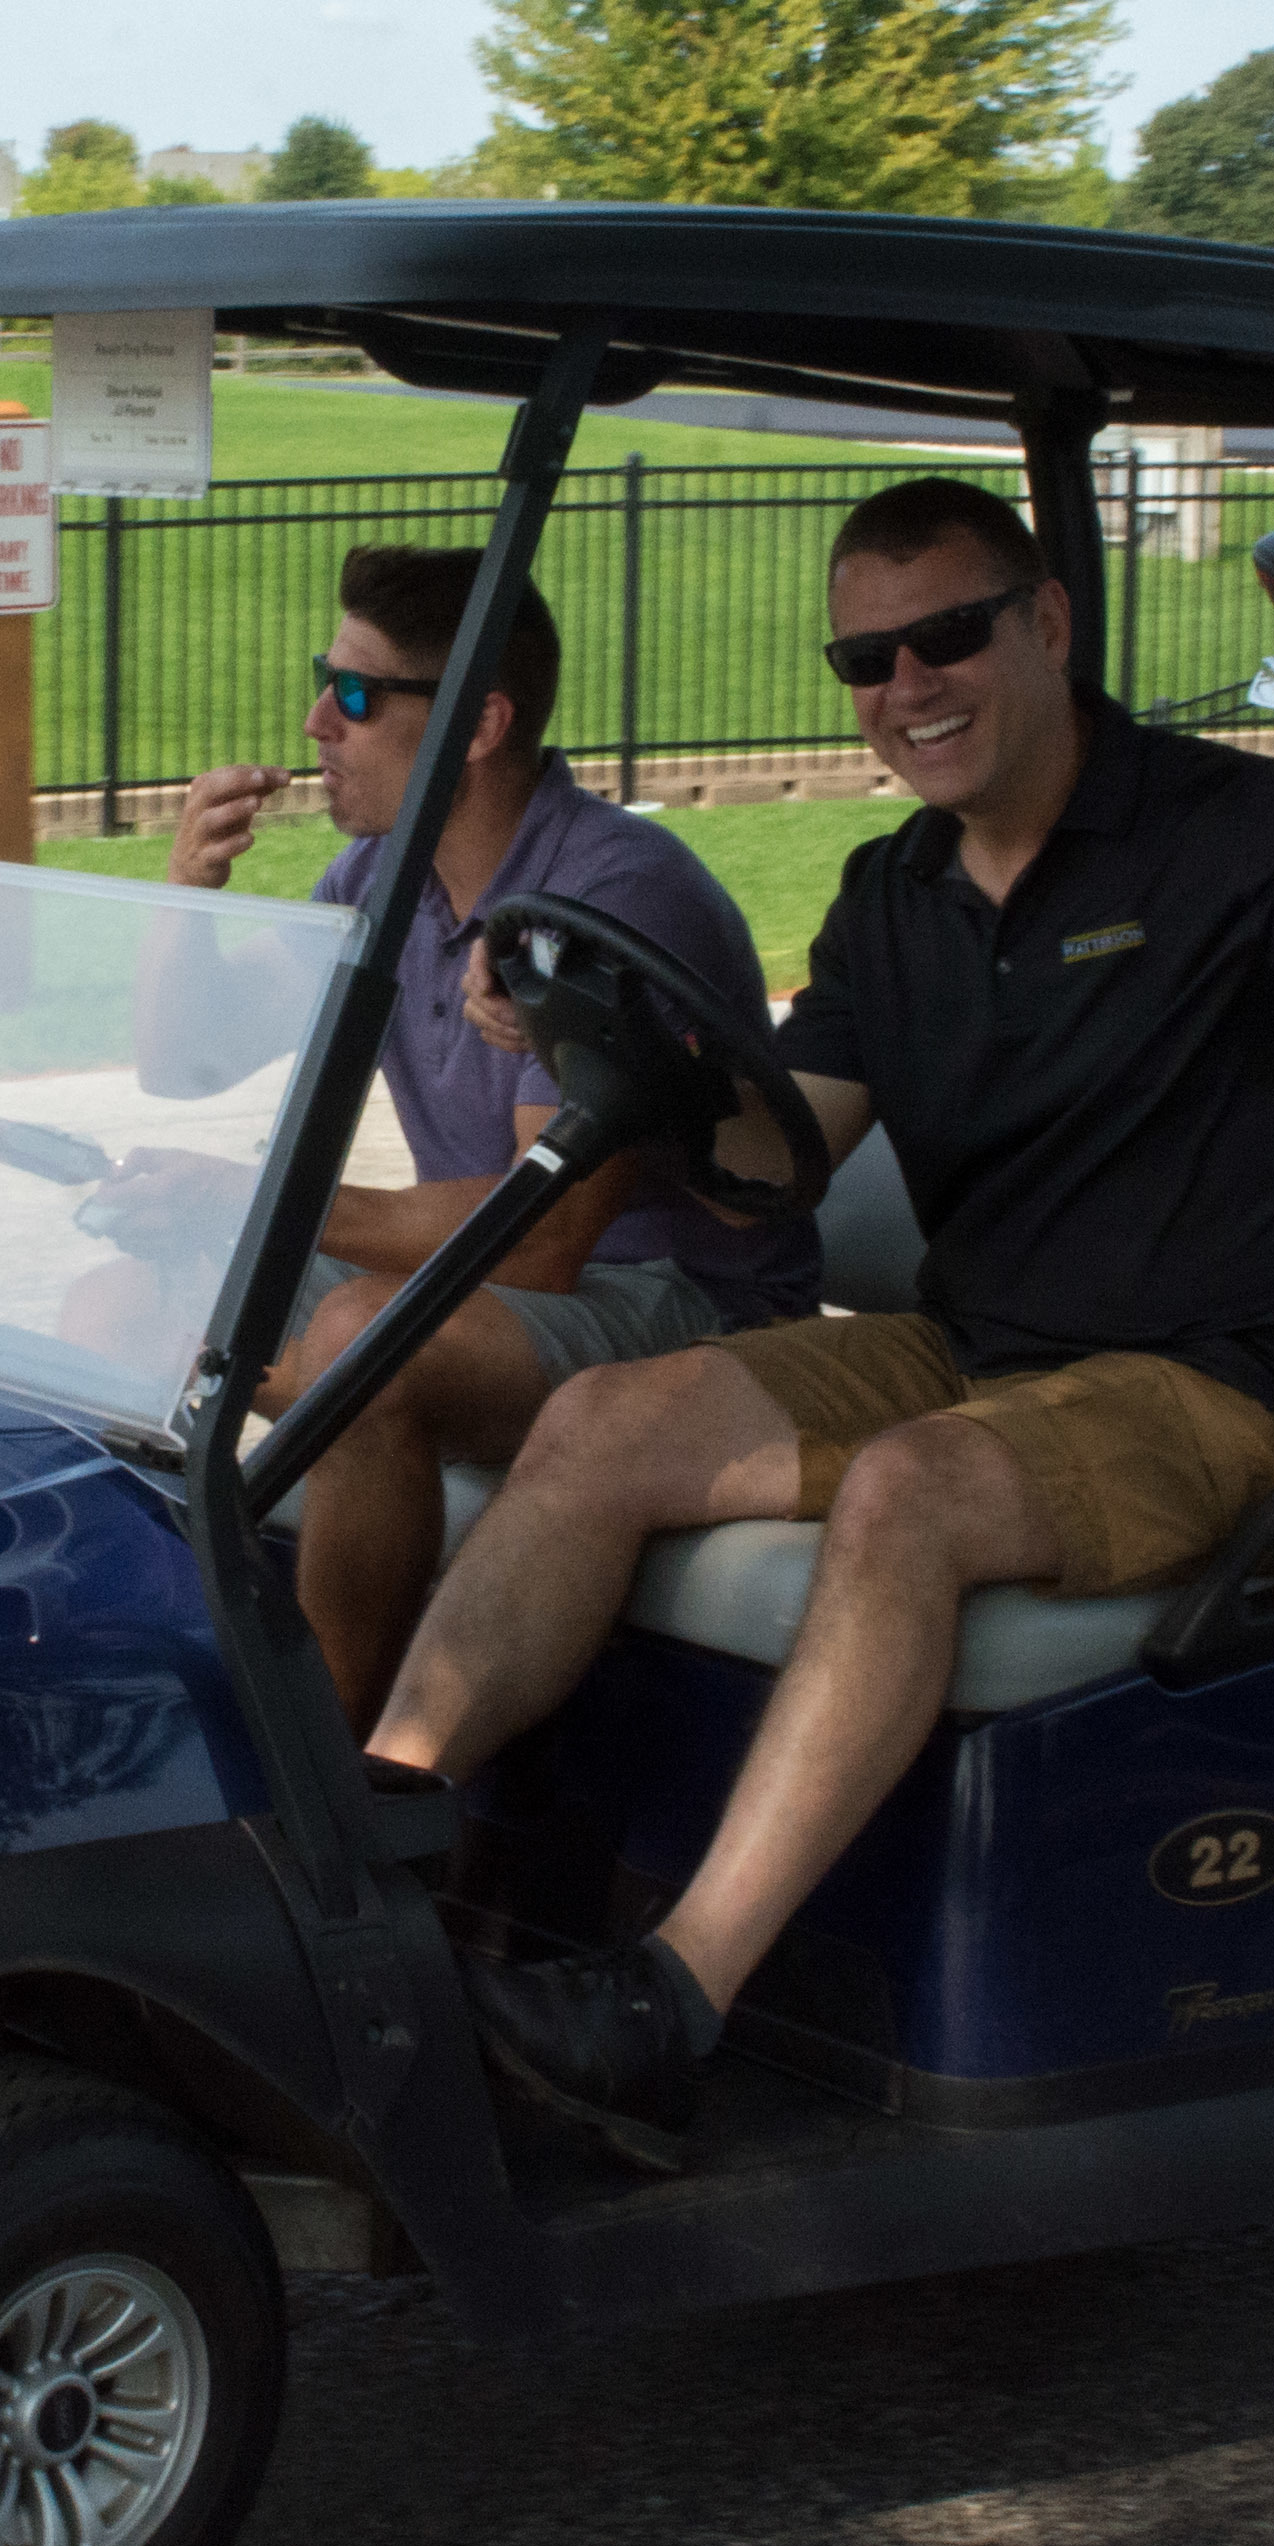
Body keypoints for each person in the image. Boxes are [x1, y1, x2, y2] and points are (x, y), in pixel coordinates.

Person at [364, 475, 1274, 2145]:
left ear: (1049, 624)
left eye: (946, 638)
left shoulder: (1241, 833)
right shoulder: (894, 896)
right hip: (989, 1351)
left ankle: (670, 2002)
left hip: (1237, 1393)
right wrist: (604, 1054)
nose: (907, 688)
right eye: (866, 661)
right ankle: (380, 1845)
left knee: (908, 1490)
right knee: (601, 1419)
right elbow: (775, 1160)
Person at [110, 544, 820, 1721]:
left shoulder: (610, 891)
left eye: (353, 693)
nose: (315, 721)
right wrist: (188, 889)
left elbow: (546, 1238)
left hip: (681, 1296)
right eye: (324, 681)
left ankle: (320, 1783)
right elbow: (183, 1062)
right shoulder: (379, 879)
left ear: (481, 723)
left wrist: (259, 1208)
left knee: (360, 1340)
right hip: (510, 1286)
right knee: (131, 1293)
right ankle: (157, 1705)